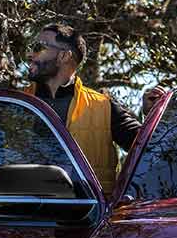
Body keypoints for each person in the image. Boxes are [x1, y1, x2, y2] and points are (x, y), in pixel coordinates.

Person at [24, 23, 143, 189]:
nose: (30, 54)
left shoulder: (104, 107)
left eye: (38, 47)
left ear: (64, 56)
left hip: (88, 213)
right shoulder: (17, 103)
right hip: (21, 210)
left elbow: (152, 148)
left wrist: (152, 113)